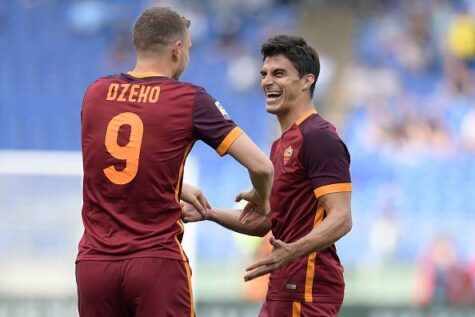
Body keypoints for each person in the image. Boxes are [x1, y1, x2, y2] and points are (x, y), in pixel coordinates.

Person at [76, 7, 273, 317]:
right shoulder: (189, 100)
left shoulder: (95, 94)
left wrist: (177, 185)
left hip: (94, 266)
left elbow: (111, 166)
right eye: (189, 48)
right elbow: (262, 166)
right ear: (177, 49)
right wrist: (261, 203)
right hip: (155, 264)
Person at [183, 35, 352, 316]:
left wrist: (291, 251)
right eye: (264, 74)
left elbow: (342, 218)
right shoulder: (281, 144)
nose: (266, 81)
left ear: (307, 81)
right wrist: (209, 212)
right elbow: (264, 223)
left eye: (279, 73)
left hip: (307, 287)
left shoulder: (319, 138)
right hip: (283, 283)